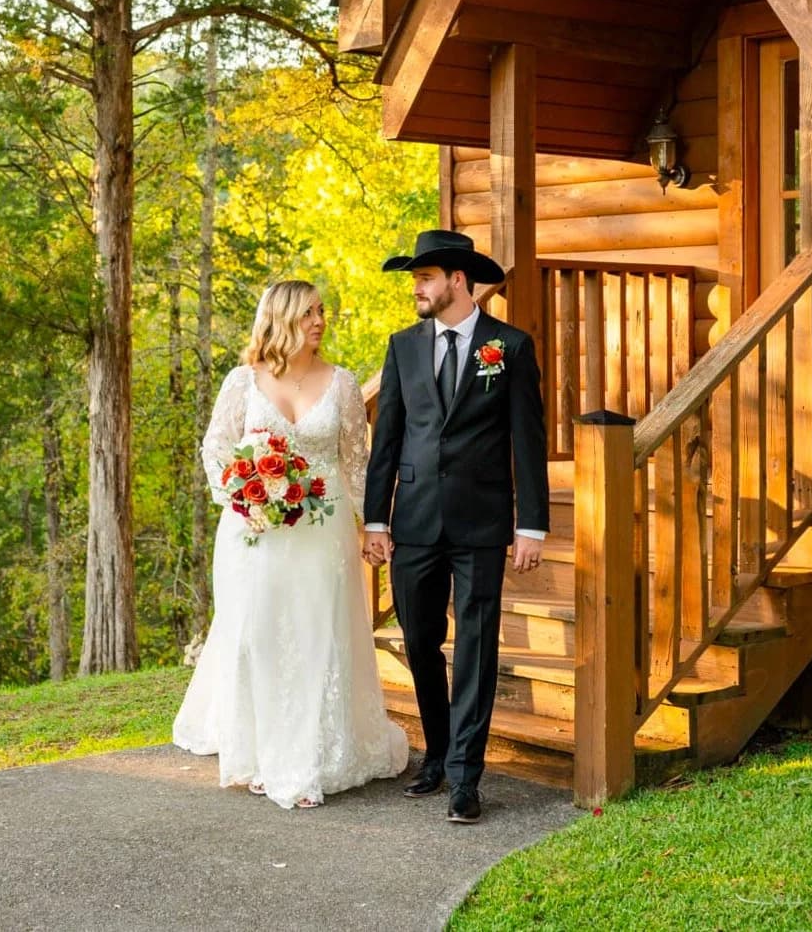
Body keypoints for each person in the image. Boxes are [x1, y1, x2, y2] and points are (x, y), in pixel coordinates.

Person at [173, 280, 409, 809]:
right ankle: (259, 752)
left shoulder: (343, 383)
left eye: (321, 311)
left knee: (318, 634)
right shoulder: (243, 382)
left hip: (322, 536)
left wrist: (374, 525)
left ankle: (314, 755)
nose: (320, 321)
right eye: (308, 313)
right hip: (253, 533)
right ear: (280, 318)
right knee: (258, 634)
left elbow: (355, 463)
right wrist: (241, 499)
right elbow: (216, 449)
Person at [362, 230, 550, 825]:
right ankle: (438, 753)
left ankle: (467, 775)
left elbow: (528, 441)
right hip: (413, 521)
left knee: (475, 646)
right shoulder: (403, 347)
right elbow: (386, 438)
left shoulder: (510, 348)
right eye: (415, 279)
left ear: (458, 281)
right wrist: (375, 517)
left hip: (481, 524)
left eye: (424, 277)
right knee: (419, 640)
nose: (416, 287)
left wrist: (532, 526)